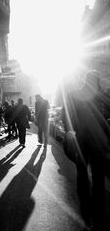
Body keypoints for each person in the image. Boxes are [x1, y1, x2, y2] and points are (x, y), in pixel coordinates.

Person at [61, 70, 110, 230]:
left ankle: (86, 211)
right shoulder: (103, 97)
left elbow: (65, 115)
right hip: (98, 144)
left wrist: (70, 131)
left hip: (81, 142)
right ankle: (99, 217)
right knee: (98, 179)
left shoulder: (73, 94)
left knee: (83, 175)